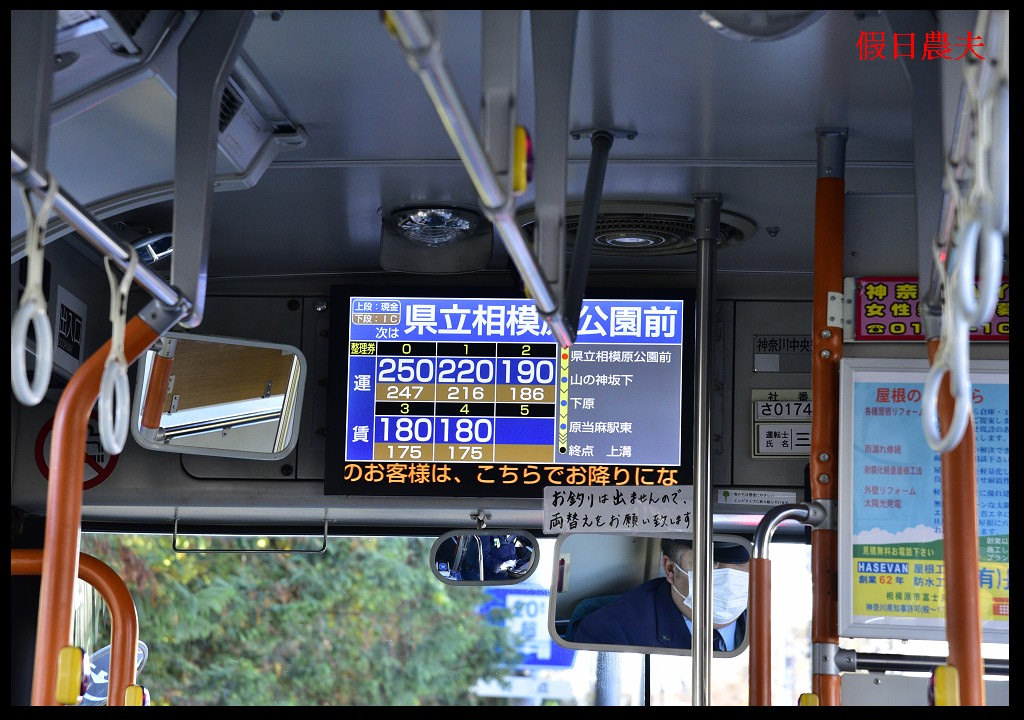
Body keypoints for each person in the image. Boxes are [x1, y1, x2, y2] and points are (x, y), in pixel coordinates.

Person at [571, 538, 750, 651]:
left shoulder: (772, 625)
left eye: (742, 563)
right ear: (670, 569)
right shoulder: (611, 632)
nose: (730, 578)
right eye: (711, 563)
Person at [458, 533, 530, 581]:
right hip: (493, 573)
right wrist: (502, 565)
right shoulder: (487, 533)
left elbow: (526, 536)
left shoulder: (516, 527)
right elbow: (483, 556)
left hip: (515, 567)